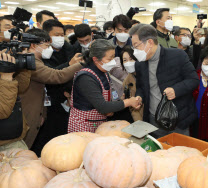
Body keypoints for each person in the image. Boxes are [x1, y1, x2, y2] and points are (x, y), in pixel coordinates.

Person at [129, 24, 199, 138]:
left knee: (179, 153)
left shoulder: (177, 56)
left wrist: (175, 90)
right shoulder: (140, 64)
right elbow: (141, 87)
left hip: (178, 119)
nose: (134, 51)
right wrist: (139, 97)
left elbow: (193, 80)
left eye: (136, 46)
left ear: (150, 43)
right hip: (154, 120)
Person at [19, 29, 83, 149]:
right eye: (47, 45)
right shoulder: (30, 62)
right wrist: (81, 64)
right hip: (26, 112)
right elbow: (56, 76)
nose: (50, 49)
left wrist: (42, 113)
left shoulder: (37, 61)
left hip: (34, 112)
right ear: (33, 45)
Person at [68, 39, 141, 133]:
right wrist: (128, 102)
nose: (113, 62)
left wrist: (117, 103)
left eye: (114, 58)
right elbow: (102, 106)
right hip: (84, 126)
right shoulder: (85, 78)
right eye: (109, 59)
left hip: (98, 123)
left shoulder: (103, 72)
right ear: (95, 59)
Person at [38, 19, 82, 147]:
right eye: (56, 35)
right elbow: (50, 75)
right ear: (47, 36)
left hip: (68, 98)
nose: (60, 38)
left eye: (62, 35)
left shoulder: (68, 49)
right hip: (50, 100)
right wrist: (69, 65)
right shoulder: (43, 53)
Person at [0, 53, 31, 151]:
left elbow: (20, 88)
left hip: (12, 139)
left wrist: (21, 67)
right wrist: (6, 78)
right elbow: (2, 112)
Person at [120, 46, 143, 121]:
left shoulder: (148, 74)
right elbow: (132, 108)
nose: (128, 63)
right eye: (125, 60)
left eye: (131, 59)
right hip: (141, 118)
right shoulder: (127, 82)